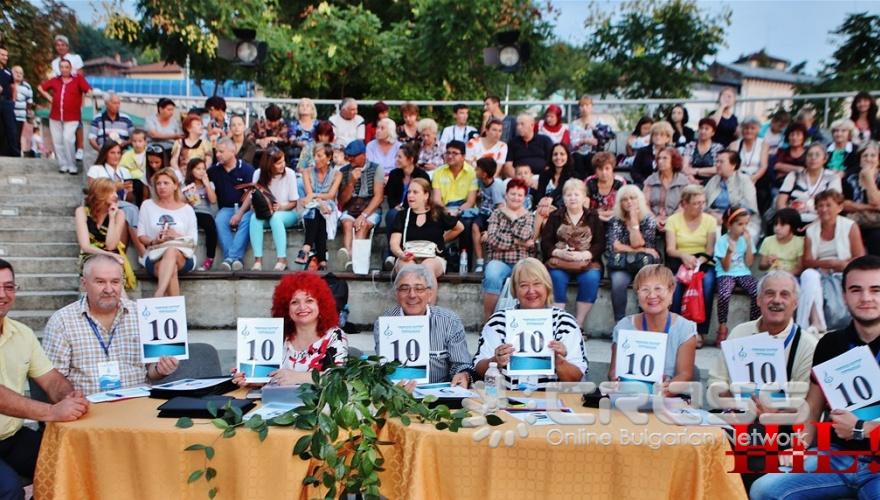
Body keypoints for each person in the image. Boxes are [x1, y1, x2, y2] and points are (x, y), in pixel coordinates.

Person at [750, 256, 880, 500]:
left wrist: (861, 429)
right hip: (837, 456)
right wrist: (797, 447)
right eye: (856, 290)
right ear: (844, 296)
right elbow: (813, 408)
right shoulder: (831, 343)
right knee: (764, 489)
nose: (866, 298)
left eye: (876, 290)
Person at [0, 259, 89, 498]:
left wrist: (70, 397)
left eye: (9, 287)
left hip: (11, 437)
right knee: (9, 490)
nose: (3, 294)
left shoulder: (22, 333)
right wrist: (52, 411)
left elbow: (51, 379)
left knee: (71, 459)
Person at [43, 255, 180, 395]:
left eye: (115, 282)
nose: (109, 289)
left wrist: (160, 369)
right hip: (89, 404)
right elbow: (54, 380)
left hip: (137, 401)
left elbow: (151, 371)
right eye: (100, 282)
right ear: (84, 283)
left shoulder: (142, 315)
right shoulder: (62, 321)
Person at [473, 258, 589, 390]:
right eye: (523, 285)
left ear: (547, 287)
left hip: (553, 399)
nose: (531, 291)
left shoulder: (565, 323)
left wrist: (559, 361)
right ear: (515, 290)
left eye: (537, 284)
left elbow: (577, 378)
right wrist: (495, 360)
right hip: (506, 398)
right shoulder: (498, 321)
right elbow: (478, 369)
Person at [234, 272, 347, 386]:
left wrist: (297, 377)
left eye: (309, 300)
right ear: (286, 308)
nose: (302, 307)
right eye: (294, 302)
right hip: (275, 396)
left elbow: (339, 378)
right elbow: (268, 378)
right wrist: (250, 379)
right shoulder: (277, 334)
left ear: (321, 305)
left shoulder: (334, 335)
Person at [374, 265, 472, 385]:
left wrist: (463, 374)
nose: (412, 295)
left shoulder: (449, 321)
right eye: (404, 289)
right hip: (397, 391)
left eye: (419, 289)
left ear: (430, 294)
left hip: (438, 392)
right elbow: (384, 366)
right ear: (397, 294)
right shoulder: (384, 323)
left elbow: (461, 364)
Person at [609, 265, 696, 391]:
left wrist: (666, 389)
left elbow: (685, 374)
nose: (652, 295)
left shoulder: (685, 329)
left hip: (669, 396)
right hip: (630, 396)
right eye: (645, 289)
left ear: (671, 291)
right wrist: (616, 380)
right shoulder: (624, 327)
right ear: (637, 294)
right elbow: (613, 371)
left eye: (658, 288)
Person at [540, 178, 606, 328]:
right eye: (569, 195)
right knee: (556, 277)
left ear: (584, 198)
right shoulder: (555, 216)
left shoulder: (593, 216)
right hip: (560, 262)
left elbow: (600, 243)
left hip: (586, 262)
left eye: (577, 194)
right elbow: (545, 242)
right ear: (564, 198)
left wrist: (584, 255)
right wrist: (559, 253)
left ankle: (578, 325)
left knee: (591, 278)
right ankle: (557, 323)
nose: (573, 198)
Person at [798, 189, 866, 332]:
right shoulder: (811, 230)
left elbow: (859, 258)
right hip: (819, 271)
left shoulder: (850, 226)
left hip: (845, 269)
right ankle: (812, 324)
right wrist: (829, 264)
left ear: (839, 207)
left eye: (828, 205)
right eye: (820, 206)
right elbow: (807, 261)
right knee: (808, 275)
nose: (824, 209)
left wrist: (841, 265)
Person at [665, 184, 717, 345]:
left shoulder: (710, 221)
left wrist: (697, 263)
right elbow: (670, 249)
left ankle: (699, 331)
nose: (701, 207)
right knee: (676, 285)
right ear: (684, 204)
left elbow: (709, 250)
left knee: (707, 283)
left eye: (702, 202)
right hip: (679, 260)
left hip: (703, 261)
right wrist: (684, 256)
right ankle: (674, 328)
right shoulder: (673, 220)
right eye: (696, 203)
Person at [481, 178, 536, 319]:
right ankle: (488, 319)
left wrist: (512, 217)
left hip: (522, 261)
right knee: (492, 275)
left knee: (528, 278)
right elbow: (493, 240)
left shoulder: (529, 216)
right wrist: (520, 243)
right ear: (506, 195)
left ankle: (524, 319)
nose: (516, 198)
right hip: (498, 261)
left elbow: (525, 235)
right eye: (513, 194)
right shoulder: (496, 214)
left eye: (520, 195)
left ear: (524, 198)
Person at [138, 168, 198, 297]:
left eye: (166, 183)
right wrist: (154, 240)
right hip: (155, 254)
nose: (161, 187)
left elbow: (194, 240)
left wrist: (177, 236)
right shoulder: (147, 205)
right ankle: (172, 308)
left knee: (171, 250)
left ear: (175, 185)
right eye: (158, 183)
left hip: (183, 255)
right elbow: (141, 236)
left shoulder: (187, 209)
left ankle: (159, 294)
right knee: (171, 269)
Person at [605, 185, 659, 322]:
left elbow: (638, 243)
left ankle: (646, 321)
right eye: (625, 199)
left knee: (647, 284)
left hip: (643, 264)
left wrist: (634, 222)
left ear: (639, 200)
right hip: (621, 264)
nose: (629, 202)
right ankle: (620, 322)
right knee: (618, 282)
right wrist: (643, 250)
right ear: (620, 203)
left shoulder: (648, 220)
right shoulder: (615, 220)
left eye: (632, 198)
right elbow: (615, 247)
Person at [390, 178, 464, 278]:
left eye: (415, 192)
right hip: (408, 257)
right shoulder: (402, 215)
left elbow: (459, 227)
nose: (410, 195)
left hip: (434, 257)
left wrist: (441, 240)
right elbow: (394, 243)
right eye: (409, 192)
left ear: (426, 195)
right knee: (409, 269)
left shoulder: (438, 213)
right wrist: (401, 254)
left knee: (426, 269)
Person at [86, 141, 146, 260]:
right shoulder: (96, 169)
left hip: (121, 204)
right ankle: (143, 252)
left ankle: (129, 253)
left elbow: (129, 199)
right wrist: (115, 186)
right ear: (105, 154)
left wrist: (129, 191)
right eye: (112, 153)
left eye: (119, 153)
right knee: (131, 209)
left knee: (128, 210)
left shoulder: (124, 171)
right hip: (102, 204)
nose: (116, 156)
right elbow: (92, 191)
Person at [74, 179, 136, 289]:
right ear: (100, 193)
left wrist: (112, 218)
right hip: (90, 255)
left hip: (112, 255)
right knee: (100, 269)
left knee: (112, 277)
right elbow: (85, 246)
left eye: (115, 192)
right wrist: (109, 255)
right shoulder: (82, 211)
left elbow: (111, 246)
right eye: (111, 192)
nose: (116, 195)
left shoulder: (119, 214)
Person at [713, 207, 760, 344]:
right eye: (740, 224)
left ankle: (754, 327)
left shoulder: (745, 239)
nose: (744, 228)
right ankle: (722, 327)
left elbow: (749, 263)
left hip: (743, 273)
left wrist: (749, 243)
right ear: (729, 225)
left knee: (757, 292)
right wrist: (729, 252)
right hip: (725, 274)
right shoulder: (722, 241)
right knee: (724, 294)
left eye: (746, 224)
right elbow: (726, 268)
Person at [248, 147, 299, 271]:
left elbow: (294, 203)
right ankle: (258, 261)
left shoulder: (290, 174)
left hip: (287, 213)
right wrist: (258, 206)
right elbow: (252, 201)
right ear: (269, 165)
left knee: (275, 218)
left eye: (283, 161)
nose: (283, 165)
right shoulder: (258, 174)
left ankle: (282, 259)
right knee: (254, 218)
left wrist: (281, 207)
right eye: (278, 163)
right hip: (266, 213)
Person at [208, 138, 255, 271]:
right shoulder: (213, 171)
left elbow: (251, 194)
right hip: (226, 208)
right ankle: (234, 259)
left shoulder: (246, 169)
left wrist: (240, 213)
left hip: (245, 208)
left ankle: (230, 258)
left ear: (233, 151)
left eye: (221, 151)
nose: (218, 155)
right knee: (219, 221)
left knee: (247, 221)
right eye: (217, 152)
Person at [336, 139, 384, 269]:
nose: (350, 159)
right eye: (348, 156)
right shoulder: (343, 171)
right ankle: (350, 257)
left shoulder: (376, 168)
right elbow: (342, 201)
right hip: (350, 208)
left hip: (370, 209)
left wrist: (364, 215)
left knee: (363, 225)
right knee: (347, 223)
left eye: (353, 156)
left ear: (363, 155)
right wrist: (351, 182)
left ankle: (352, 258)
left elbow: (379, 197)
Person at [383, 142, 431, 270]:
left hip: (415, 209)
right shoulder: (394, 174)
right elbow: (391, 195)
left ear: (410, 159)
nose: (396, 159)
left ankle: (392, 254)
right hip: (397, 210)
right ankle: (391, 255)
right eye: (396, 156)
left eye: (400, 157)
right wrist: (396, 206)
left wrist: (404, 206)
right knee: (392, 214)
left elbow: (425, 197)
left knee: (396, 215)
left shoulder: (422, 175)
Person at [38, 59, 91, 174]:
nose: (64, 69)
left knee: (68, 139)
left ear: (70, 68)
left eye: (66, 67)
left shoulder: (78, 79)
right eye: (62, 67)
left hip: (72, 117)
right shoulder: (55, 80)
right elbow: (41, 88)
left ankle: (72, 165)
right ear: (59, 68)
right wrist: (50, 98)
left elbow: (88, 90)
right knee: (57, 141)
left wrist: (88, 100)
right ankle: (63, 164)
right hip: (55, 116)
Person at [298, 143, 342, 271]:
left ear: (328, 158)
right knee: (315, 211)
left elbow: (331, 195)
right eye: (314, 156)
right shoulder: (307, 172)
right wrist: (319, 202)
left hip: (329, 206)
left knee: (320, 212)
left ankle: (307, 247)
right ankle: (322, 260)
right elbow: (308, 193)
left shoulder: (337, 174)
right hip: (312, 206)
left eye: (319, 156)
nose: (316, 159)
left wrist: (317, 199)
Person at [431, 140, 478, 261]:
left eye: (455, 153)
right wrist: (446, 211)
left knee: (466, 223)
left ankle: (465, 260)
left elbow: (471, 201)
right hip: (443, 208)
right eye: (448, 153)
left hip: (463, 209)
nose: (450, 156)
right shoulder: (438, 172)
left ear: (463, 156)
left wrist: (457, 211)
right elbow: (436, 200)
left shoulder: (471, 173)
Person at [777, 143, 842, 225]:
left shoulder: (833, 177)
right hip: (794, 221)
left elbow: (834, 206)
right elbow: (781, 203)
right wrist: (788, 222)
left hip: (821, 221)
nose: (813, 158)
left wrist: (815, 224)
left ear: (824, 159)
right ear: (805, 158)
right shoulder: (794, 175)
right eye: (809, 155)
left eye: (817, 155)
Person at [705, 150, 761, 241]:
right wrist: (710, 214)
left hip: (742, 222)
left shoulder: (744, 180)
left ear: (733, 165)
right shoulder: (714, 180)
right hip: (715, 220)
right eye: (717, 161)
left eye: (721, 162)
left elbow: (749, 208)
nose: (717, 165)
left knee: (737, 240)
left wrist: (727, 218)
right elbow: (703, 202)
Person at [181, 158, 218, 271]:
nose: (201, 171)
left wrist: (207, 185)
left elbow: (213, 200)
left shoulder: (210, 184)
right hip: (189, 212)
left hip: (204, 212)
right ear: (191, 170)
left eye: (203, 169)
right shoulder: (185, 184)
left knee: (210, 225)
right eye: (198, 169)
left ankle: (209, 259)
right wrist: (189, 199)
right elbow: (180, 203)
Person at [843, 141, 880, 251]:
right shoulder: (849, 178)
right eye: (865, 156)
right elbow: (844, 204)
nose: (868, 159)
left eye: (873, 156)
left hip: (876, 224)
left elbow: (876, 202)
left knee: (876, 237)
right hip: (854, 221)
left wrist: (868, 178)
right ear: (860, 160)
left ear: (878, 160)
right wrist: (870, 207)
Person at [730, 116, 772, 213]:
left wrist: (753, 178)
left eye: (752, 128)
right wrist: (743, 179)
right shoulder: (734, 144)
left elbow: (764, 166)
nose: (749, 131)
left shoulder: (763, 144)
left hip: (757, 178)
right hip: (738, 177)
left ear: (758, 130)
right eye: (746, 128)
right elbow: (732, 165)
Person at [471, 157, 505, 273]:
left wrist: (490, 230)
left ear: (484, 174)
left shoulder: (496, 187)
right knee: (474, 226)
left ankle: (490, 261)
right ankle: (480, 261)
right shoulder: (480, 182)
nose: (475, 170)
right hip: (483, 213)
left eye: (477, 169)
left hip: (494, 216)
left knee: (490, 234)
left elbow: (500, 208)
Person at [643, 146, 689, 231]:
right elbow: (645, 204)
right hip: (653, 220)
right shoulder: (651, 180)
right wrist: (654, 219)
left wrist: (670, 220)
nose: (660, 161)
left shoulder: (683, 181)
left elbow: (683, 206)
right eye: (659, 158)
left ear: (674, 161)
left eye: (665, 158)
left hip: (676, 220)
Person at [504, 113, 554, 178]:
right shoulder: (513, 142)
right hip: (518, 178)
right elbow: (508, 166)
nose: (518, 127)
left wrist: (542, 178)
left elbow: (550, 164)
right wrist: (519, 179)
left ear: (532, 125)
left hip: (540, 177)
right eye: (517, 124)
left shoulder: (545, 140)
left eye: (522, 124)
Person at [758, 208, 804, 275]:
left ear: (793, 226)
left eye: (782, 225)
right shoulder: (768, 241)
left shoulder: (799, 243)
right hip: (771, 275)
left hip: (791, 276)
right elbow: (761, 266)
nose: (777, 228)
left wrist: (784, 275)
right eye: (775, 224)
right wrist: (768, 263)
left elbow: (799, 268)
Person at [585, 151, 627, 222]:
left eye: (607, 168)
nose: (604, 172)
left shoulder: (620, 182)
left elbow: (624, 206)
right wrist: (596, 214)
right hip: (593, 218)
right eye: (600, 169)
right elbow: (584, 207)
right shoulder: (589, 181)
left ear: (612, 168)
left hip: (615, 217)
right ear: (595, 170)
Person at [631, 120, 675, 187]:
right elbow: (635, 171)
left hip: (666, 185)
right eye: (655, 134)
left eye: (662, 135)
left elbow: (676, 172)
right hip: (644, 184)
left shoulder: (672, 153)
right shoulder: (642, 151)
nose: (658, 137)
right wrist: (645, 182)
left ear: (668, 138)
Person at [682, 117, 724, 185]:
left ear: (713, 133)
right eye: (701, 128)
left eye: (706, 129)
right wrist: (693, 180)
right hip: (691, 181)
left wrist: (697, 171)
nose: (703, 131)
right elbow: (685, 167)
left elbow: (717, 169)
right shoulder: (690, 145)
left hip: (712, 182)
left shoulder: (718, 148)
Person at [569, 95, 602, 178]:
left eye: (587, 105)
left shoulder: (598, 122)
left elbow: (603, 138)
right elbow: (573, 143)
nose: (584, 108)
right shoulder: (574, 124)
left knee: (592, 158)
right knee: (577, 157)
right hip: (577, 153)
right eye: (582, 106)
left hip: (593, 152)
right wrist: (585, 141)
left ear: (591, 107)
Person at [771, 122, 808, 188]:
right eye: (792, 135)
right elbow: (777, 166)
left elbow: (808, 172)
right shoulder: (782, 151)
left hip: (803, 186)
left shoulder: (808, 153)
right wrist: (798, 169)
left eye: (798, 134)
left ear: (803, 137)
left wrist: (785, 169)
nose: (794, 138)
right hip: (782, 185)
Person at [120, 129, 150, 205]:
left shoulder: (149, 152)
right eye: (134, 141)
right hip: (132, 180)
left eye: (140, 141)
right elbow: (121, 168)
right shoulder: (127, 155)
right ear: (131, 142)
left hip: (147, 179)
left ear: (145, 142)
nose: (137, 144)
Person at [288, 98, 318, 169]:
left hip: (315, 153)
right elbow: (291, 139)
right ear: (298, 109)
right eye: (302, 105)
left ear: (312, 110)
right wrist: (301, 143)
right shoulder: (293, 124)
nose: (305, 107)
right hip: (298, 155)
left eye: (308, 105)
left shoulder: (318, 124)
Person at [11, 65, 32, 157]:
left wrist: (27, 112)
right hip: (8, 114)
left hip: (20, 116)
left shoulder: (27, 86)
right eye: (16, 72)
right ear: (11, 73)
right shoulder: (7, 83)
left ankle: (16, 155)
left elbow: (29, 102)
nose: (19, 74)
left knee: (17, 135)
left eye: (21, 73)